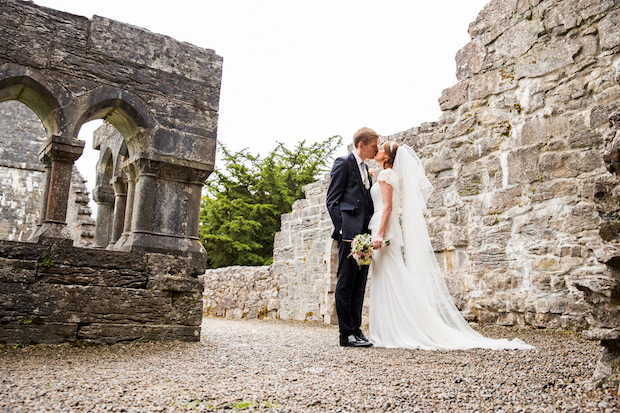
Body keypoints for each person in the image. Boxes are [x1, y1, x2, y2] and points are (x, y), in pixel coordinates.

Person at [368, 141, 534, 350]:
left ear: (389, 156)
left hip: (383, 230)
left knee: (391, 274)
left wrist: (380, 235)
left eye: (381, 148)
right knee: (388, 274)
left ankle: (400, 327)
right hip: (385, 228)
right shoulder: (387, 174)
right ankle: (394, 326)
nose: (378, 150)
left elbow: (388, 208)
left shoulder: (385, 176)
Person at [326, 127, 379, 347]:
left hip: (365, 235)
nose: (376, 149)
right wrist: (343, 230)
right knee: (346, 282)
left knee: (359, 282)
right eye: (374, 146)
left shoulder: (366, 168)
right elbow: (332, 200)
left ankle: (356, 330)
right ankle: (345, 333)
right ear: (361, 145)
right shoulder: (343, 163)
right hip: (349, 235)